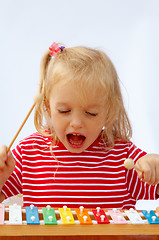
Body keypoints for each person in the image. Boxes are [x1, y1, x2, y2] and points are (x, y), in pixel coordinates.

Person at [0, 42, 159, 209]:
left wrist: (154, 165)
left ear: (108, 111)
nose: (76, 123)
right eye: (64, 110)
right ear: (48, 106)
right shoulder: (28, 153)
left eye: (91, 113)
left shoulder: (123, 155)